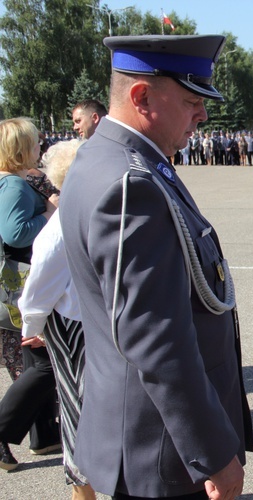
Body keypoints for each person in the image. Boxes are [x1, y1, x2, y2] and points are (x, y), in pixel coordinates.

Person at [58, 35, 253, 498]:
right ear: (142, 97)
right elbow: (156, 339)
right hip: (165, 452)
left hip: (154, 439)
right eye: (190, 101)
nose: (203, 115)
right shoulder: (130, 184)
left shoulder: (109, 158)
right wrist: (212, 454)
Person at [18, 139, 95, 499]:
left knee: (76, 409)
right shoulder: (97, 211)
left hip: (70, 328)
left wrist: (31, 328)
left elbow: (38, 290)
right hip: (96, 323)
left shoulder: (59, 224)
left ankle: (83, 488)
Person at [0, 117, 59, 471]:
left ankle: (43, 435)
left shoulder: (16, 182)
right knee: (39, 366)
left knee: (34, 365)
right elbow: (16, 233)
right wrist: (51, 214)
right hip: (17, 292)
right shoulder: (14, 187)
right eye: (35, 142)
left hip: (16, 291)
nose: (41, 145)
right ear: (22, 148)